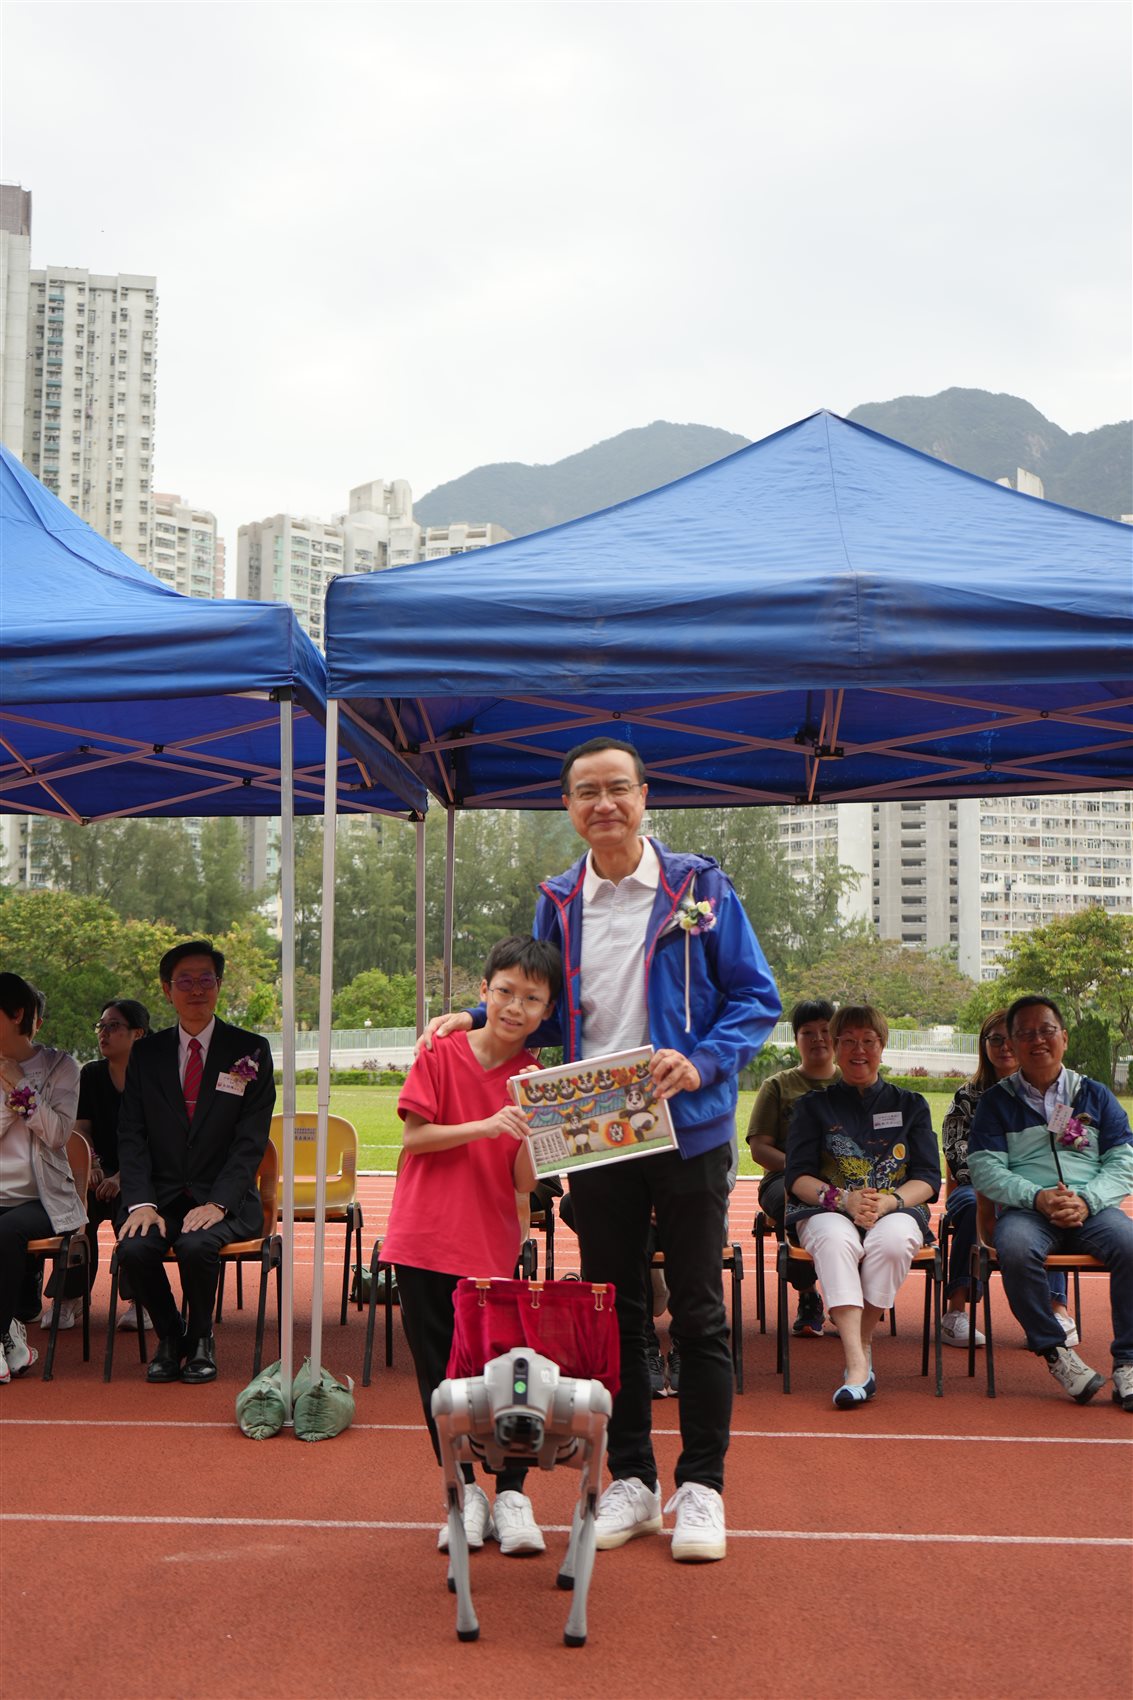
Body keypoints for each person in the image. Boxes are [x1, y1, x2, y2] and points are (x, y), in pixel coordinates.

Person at [421, 737, 781, 1561]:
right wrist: (474, 1017)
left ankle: (702, 1487)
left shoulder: (699, 888)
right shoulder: (559, 899)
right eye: (586, 792)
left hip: (685, 1126)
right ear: (568, 807)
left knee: (697, 1309)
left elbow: (754, 997)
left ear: (645, 797)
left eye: (618, 788)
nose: (604, 804)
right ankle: (633, 1480)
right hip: (593, 1130)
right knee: (612, 1310)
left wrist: (701, 1061)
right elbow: (541, 1005)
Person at [383, 936, 561, 1558]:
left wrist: (537, 1128)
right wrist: (486, 1124)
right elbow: (415, 1138)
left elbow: (523, 1182)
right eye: (505, 991)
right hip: (423, 1240)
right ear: (484, 992)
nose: (515, 1006)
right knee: (440, 1380)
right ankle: (462, 1493)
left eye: (531, 999)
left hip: (490, 1246)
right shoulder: (440, 1049)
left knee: (508, 1376)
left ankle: (512, 1495)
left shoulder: (536, 1079)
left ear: (547, 1011)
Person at [115, 941, 275, 1385]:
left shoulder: (250, 1050)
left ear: (219, 985)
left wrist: (219, 1202)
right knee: (134, 1248)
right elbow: (131, 1133)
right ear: (167, 990)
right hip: (160, 1196)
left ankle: (202, 1337)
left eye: (206, 979)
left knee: (196, 1244)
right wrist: (140, 1202)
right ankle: (171, 1335)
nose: (197, 989)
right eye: (185, 981)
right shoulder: (146, 1053)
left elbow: (250, 1140)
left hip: (225, 1198)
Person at [968, 995, 1133, 1410]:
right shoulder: (997, 1102)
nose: (1037, 1040)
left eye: (1046, 1030)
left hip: (1091, 1208)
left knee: (1130, 1245)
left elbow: (1124, 1160)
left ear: (1065, 1037)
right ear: (1013, 1044)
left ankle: (1128, 1362)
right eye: (1025, 1033)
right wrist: (1036, 1196)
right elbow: (985, 1168)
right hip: (1027, 1211)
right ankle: (1056, 1353)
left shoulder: (1094, 1095)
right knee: (1014, 1248)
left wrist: (1087, 1199)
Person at [784, 1004, 940, 1409]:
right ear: (835, 1047)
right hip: (827, 1209)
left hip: (895, 1207)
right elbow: (796, 1177)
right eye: (848, 1041)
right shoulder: (812, 1106)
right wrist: (843, 1200)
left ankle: (863, 1340)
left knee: (894, 1242)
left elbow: (928, 1177)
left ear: (882, 1046)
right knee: (836, 1242)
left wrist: (890, 1201)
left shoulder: (911, 1104)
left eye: (868, 1041)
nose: (859, 1050)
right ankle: (857, 1363)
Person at [940, 1009, 1073, 1350]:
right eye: (995, 1039)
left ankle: (1056, 1309)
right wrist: (1003, 1185)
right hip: (975, 1188)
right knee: (971, 1205)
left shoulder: (1053, 1097)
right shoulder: (967, 1097)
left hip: (1035, 1190)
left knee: (1053, 1204)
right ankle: (956, 1310)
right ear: (983, 1045)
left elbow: (1063, 1150)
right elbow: (957, 1155)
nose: (1004, 1047)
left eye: (1010, 1038)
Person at [43, 998, 151, 1334]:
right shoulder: (90, 1074)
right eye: (101, 1026)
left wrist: (122, 1177)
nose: (103, 1033)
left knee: (131, 1209)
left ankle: (141, 1299)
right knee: (77, 1208)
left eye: (113, 1026)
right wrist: (91, 1164)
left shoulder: (154, 1077)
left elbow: (158, 1139)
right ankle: (70, 1297)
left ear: (138, 1033)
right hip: (98, 1170)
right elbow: (81, 1129)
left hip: (141, 1174)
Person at [0, 973, 83, 1384]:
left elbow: (57, 1134)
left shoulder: (60, 1067)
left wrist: (19, 1086)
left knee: (7, 1230)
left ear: (17, 1014)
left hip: (43, 1200)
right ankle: (8, 1335)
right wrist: (11, 1103)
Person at [747, 997, 839, 1338]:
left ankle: (852, 1298)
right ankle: (808, 1293)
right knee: (798, 1203)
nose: (818, 1039)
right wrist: (801, 1169)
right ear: (796, 1038)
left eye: (825, 1031)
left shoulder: (852, 1083)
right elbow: (759, 1149)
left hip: (845, 1179)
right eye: (807, 1032)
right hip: (783, 1179)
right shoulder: (777, 1086)